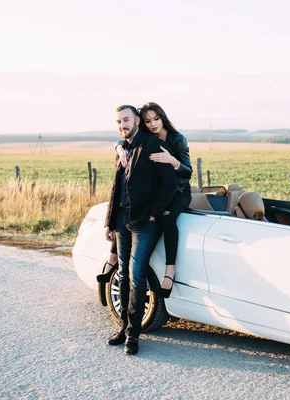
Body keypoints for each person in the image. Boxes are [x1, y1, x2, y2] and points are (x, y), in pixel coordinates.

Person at [104, 105, 178, 355]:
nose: (122, 125)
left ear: (137, 119)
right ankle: (123, 326)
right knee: (123, 273)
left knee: (137, 276)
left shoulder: (153, 145)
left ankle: (133, 335)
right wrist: (109, 222)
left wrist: (153, 213)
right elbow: (116, 188)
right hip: (123, 220)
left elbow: (169, 184)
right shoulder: (122, 148)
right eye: (118, 122)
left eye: (126, 120)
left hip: (145, 223)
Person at [113, 102, 192, 298]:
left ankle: (170, 270)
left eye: (156, 119)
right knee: (126, 216)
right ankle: (113, 254)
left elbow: (188, 172)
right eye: (148, 121)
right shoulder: (147, 140)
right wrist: (119, 149)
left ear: (162, 118)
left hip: (180, 190)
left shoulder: (177, 139)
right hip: (161, 192)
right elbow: (122, 140)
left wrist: (172, 161)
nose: (153, 124)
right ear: (141, 122)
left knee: (166, 217)